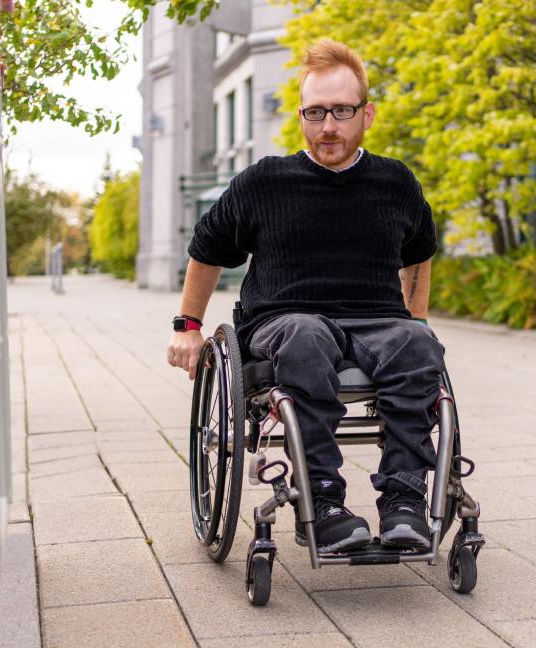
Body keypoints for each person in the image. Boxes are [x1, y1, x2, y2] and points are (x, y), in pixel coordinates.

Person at [166, 39, 445, 554]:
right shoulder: (264, 182)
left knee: (417, 344)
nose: (328, 126)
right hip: (285, 320)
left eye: (342, 111)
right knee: (305, 335)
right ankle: (323, 500)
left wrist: (418, 321)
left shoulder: (395, 182)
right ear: (301, 116)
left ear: (367, 114)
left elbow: (419, 253)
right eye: (315, 112)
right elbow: (206, 249)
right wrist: (188, 326)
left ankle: (405, 499)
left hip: (376, 320)